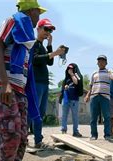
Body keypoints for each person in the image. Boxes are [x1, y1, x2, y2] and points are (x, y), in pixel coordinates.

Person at [0, 0, 45, 161]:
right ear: (31, 11)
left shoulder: (27, 39)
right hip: (5, 87)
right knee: (11, 134)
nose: (39, 16)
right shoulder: (13, 22)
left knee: (22, 136)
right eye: (39, 12)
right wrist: (5, 83)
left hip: (20, 90)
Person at [30, 18, 65, 148]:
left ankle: (37, 140)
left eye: (50, 30)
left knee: (41, 112)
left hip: (44, 83)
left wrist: (50, 45)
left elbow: (49, 62)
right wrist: (54, 53)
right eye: (46, 29)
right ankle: (29, 140)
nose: (48, 32)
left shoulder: (42, 46)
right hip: (36, 82)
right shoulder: (33, 43)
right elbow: (34, 60)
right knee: (33, 112)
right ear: (38, 29)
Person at [85, 55, 113, 140]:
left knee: (107, 116)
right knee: (93, 117)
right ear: (97, 63)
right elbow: (91, 86)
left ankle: (107, 135)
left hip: (105, 97)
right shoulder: (94, 73)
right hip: (94, 96)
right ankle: (94, 135)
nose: (101, 62)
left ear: (106, 63)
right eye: (99, 61)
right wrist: (87, 95)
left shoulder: (109, 71)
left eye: (103, 61)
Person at [60, 63, 83, 137]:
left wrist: (72, 74)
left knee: (75, 116)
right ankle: (63, 129)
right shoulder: (66, 78)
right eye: (68, 69)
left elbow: (76, 82)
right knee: (64, 115)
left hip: (74, 99)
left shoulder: (77, 75)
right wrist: (65, 87)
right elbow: (62, 88)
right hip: (66, 99)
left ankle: (75, 131)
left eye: (71, 68)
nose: (69, 70)